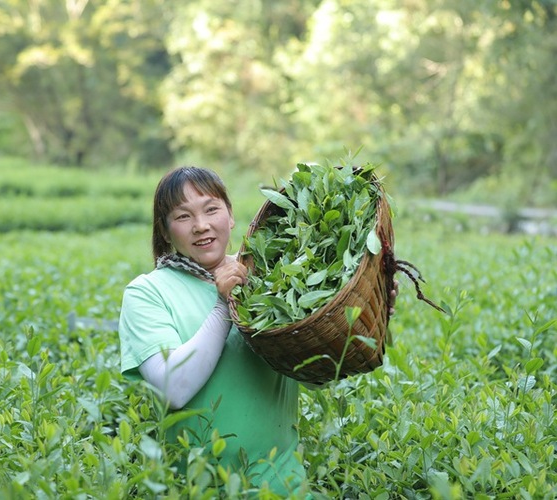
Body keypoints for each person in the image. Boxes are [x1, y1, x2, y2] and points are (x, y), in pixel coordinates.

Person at [118, 166, 396, 496]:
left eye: (211, 209)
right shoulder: (147, 293)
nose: (201, 225)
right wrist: (224, 306)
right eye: (183, 216)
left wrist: (357, 323)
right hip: (195, 488)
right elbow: (173, 389)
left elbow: (312, 375)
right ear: (165, 232)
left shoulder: (266, 276)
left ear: (231, 216)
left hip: (283, 486)